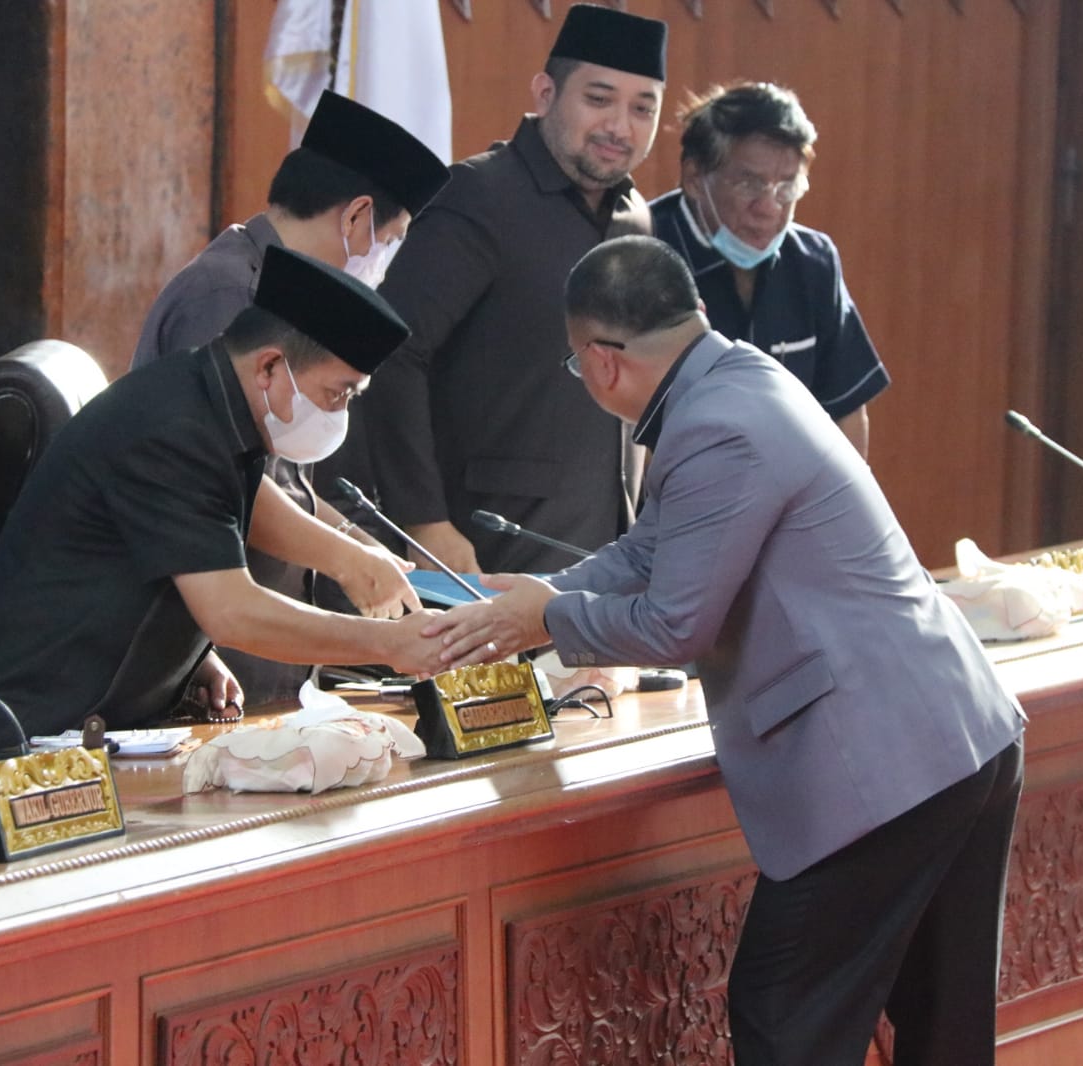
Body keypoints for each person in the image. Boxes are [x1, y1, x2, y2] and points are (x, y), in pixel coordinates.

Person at [426, 236, 1024, 1065]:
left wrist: (548, 622)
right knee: (940, 1025)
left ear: (601, 362)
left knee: (785, 1015)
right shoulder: (736, 378)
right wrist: (526, 602)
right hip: (950, 734)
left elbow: (675, 626)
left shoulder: (715, 429)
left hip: (883, 759)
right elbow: (650, 552)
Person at [0, 247, 446, 758]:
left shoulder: (212, 407)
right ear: (270, 368)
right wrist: (387, 643)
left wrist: (186, 658)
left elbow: (233, 513)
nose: (338, 412)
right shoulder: (172, 427)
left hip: (88, 728)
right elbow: (233, 612)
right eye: (338, 393)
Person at [131, 90, 451, 706]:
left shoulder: (276, 295)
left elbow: (282, 478)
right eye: (393, 239)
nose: (385, 265)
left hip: (267, 650)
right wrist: (347, 561)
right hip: (209, 652)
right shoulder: (226, 298)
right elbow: (227, 486)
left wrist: (361, 545)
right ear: (356, 217)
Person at [360, 3, 668, 575]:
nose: (620, 127)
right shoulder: (479, 195)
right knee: (487, 673)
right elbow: (392, 350)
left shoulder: (637, 218)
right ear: (546, 92)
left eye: (642, 108)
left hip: (599, 555)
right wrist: (424, 523)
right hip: (480, 549)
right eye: (598, 100)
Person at [652, 82, 888, 460]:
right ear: (695, 179)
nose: (769, 208)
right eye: (749, 183)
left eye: (787, 187)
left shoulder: (814, 262)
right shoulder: (645, 251)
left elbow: (845, 411)